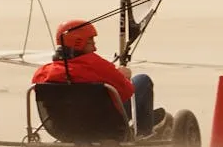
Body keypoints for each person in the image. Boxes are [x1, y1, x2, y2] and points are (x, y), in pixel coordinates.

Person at [31, 19, 171, 138]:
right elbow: (128, 92)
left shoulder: (42, 73)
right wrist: (124, 77)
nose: (95, 47)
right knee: (142, 80)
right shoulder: (98, 66)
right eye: (91, 41)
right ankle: (144, 131)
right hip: (106, 127)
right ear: (79, 42)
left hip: (63, 130)